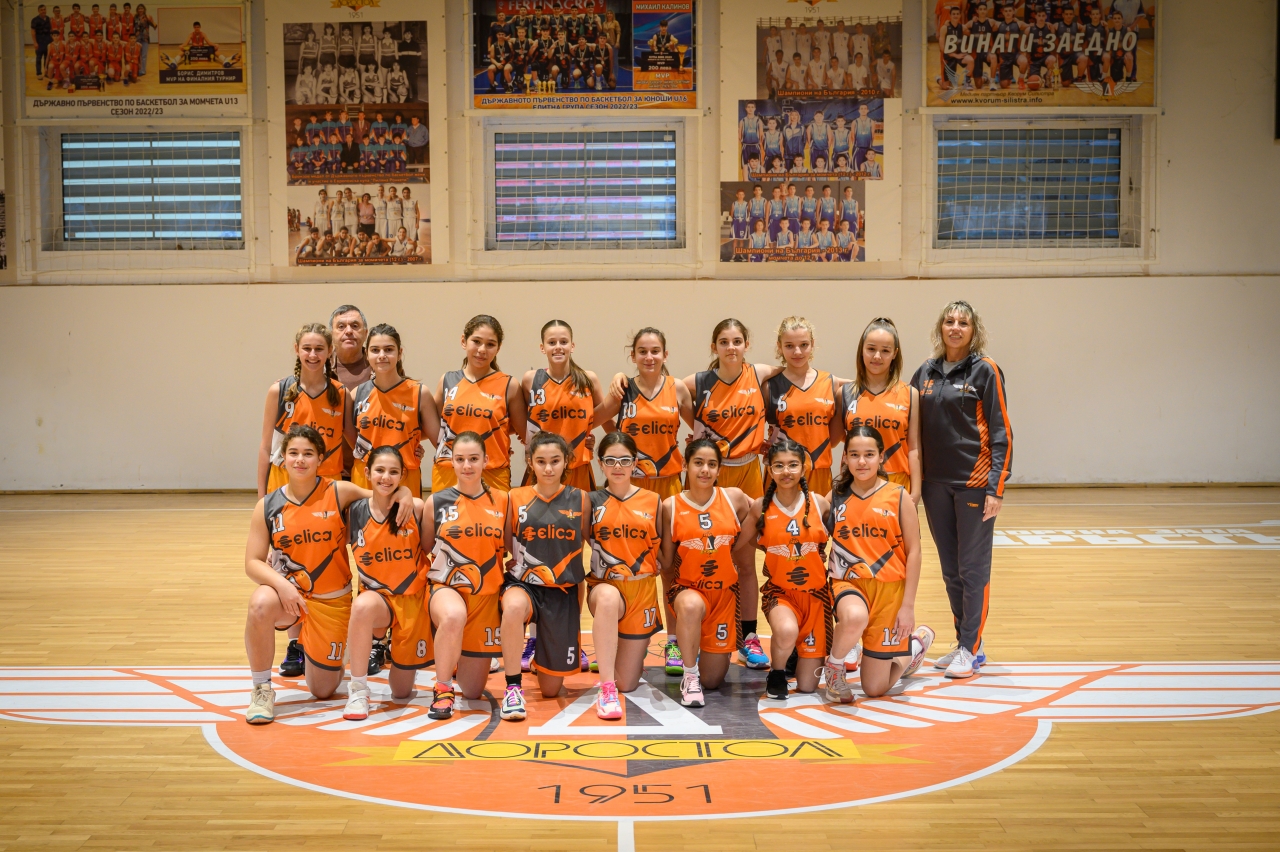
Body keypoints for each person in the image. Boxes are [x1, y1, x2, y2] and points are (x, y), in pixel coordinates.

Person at [242, 424, 414, 724]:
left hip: (331, 601)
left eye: (308, 454)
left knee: (322, 690)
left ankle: (323, 649)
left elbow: (382, 492)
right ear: (283, 457)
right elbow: (252, 562)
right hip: (290, 597)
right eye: (293, 453)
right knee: (260, 603)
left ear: (320, 458)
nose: (300, 460)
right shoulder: (267, 506)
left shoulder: (338, 491)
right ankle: (261, 689)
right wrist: (282, 586)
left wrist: (407, 491)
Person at [911, 300, 1011, 678]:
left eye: (963, 323)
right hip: (934, 485)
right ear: (941, 327)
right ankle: (966, 643)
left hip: (974, 485)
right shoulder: (925, 371)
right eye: (949, 321)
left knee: (972, 569)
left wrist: (996, 487)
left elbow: (1001, 431)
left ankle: (971, 646)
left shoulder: (986, 370)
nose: (955, 327)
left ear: (973, 330)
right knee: (951, 571)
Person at [596, 328, 693, 675]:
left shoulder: (677, 389)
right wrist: (619, 443)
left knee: (669, 567)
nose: (649, 357)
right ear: (633, 355)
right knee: (625, 565)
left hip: (668, 486)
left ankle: (673, 642)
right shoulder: (623, 389)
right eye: (642, 351)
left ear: (665, 354)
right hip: (630, 487)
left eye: (655, 351)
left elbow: (701, 428)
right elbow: (593, 419)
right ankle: (617, 639)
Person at [822, 426, 934, 705]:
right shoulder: (834, 496)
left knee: (874, 688)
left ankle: (915, 647)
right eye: (854, 454)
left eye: (869, 454)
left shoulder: (899, 496)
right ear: (845, 458)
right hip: (848, 583)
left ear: (881, 457)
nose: (862, 461)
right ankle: (834, 668)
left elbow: (915, 552)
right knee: (854, 616)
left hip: (890, 592)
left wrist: (907, 607)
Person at [498, 433, 590, 721]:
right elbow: (505, 541)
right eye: (541, 461)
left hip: (562, 592)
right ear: (530, 462)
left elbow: (592, 542)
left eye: (555, 461)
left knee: (551, 690)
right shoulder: (515, 498)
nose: (548, 468)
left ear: (566, 462)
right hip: (523, 584)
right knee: (513, 607)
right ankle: (513, 687)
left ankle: (544, 652)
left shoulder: (581, 499)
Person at [659, 439, 756, 706]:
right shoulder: (670, 506)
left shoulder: (734, 498)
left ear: (719, 469)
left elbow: (764, 512)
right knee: (690, 606)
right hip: (688, 590)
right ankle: (690, 675)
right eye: (698, 463)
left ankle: (698, 648)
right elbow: (666, 563)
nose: (705, 470)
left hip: (724, 596)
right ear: (685, 465)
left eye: (712, 464)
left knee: (713, 680)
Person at [422, 431, 512, 719]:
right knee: (453, 616)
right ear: (451, 461)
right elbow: (425, 548)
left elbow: (511, 548)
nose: (467, 466)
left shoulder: (503, 501)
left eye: (474, 458)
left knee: (473, 691)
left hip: (485, 599)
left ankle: (455, 650)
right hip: (446, 589)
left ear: (486, 460)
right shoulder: (436, 501)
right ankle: (443, 688)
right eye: (460, 459)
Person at [341, 446, 433, 720]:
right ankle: (358, 690)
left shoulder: (416, 508)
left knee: (401, 692)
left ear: (403, 475)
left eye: (393, 472)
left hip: (412, 601)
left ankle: (394, 650)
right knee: (362, 606)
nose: (386, 477)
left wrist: (406, 494)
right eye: (379, 470)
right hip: (377, 599)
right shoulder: (354, 512)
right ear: (367, 473)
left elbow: (431, 549)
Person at [587, 432, 666, 718]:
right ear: (600, 464)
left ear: (635, 463)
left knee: (628, 684)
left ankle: (625, 656)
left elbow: (662, 552)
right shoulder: (591, 501)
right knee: (608, 600)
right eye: (610, 460)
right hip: (606, 586)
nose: (617, 466)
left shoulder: (653, 501)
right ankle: (606, 688)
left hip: (642, 591)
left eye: (624, 460)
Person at [753, 437, 831, 699]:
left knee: (808, 686)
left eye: (793, 465)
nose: (786, 471)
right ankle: (776, 673)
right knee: (786, 630)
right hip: (781, 594)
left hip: (816, 598)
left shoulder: (819, 504)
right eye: (779, 465)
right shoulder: (760, 508)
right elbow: (740, 543)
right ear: (769, 469)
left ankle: (796, 650)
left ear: (804, 468)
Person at [432, 315, 526, 492]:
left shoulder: (509, 385)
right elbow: (433, 427)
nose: (482, 350)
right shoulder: (447, 380)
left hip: (492, 473)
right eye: (476, 341)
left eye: (490, 344)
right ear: (463, 341)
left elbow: (525, 432)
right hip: (448, 472)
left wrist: (496, 440)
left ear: (498, 348)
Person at [256, 322, 351, 498]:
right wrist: (261, 498)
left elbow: (356, 444)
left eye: (319, 349)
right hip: (284, 479)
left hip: (327, 480)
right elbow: (265, 447)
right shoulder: (279, 391)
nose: (313, 355)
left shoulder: (341, 393)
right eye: (307, 348)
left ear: (330, 350)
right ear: (296, 349)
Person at [350, 324, 438, 497]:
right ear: (367, 354)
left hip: (404, 478)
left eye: (389, 349)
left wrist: (412, 443)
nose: (382, 355)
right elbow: (350, 435)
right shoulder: (357, 394)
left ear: (399, 353)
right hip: (365, 477)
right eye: (375, 350)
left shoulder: (419, 393)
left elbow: (438, 440)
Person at [521, 320, 605, 490]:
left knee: (582, 508)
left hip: (578, 467)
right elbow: (524, 422)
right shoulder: (531, 379)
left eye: (564, 342)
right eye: (552, 342)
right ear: (542, 347)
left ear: (572, 346)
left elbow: (604, 416)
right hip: (542, 468)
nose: (558, 347)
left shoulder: (588, 379)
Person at [763, 317, 843, 496]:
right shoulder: (769, 386)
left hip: (819, 471)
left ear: (812, 344)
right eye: (789, 345)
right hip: (781, 473)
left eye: (804, 345)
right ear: (779, 346)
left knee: (818, 515)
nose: (797, 352)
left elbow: (833, 437)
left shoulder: (830, 382)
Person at [32, 5, 54, 79]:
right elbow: (33, 32)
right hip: (39, 41)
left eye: (44, 9)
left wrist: (52, 40)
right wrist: (35, 42)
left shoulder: (48, 18)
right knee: (39, 57)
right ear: (38, 11)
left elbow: (50, 30)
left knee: (47, 57)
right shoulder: (35, 20)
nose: (43, 11)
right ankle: (39, 73)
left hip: (48, 40)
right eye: (41, 10)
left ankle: (46, 72)